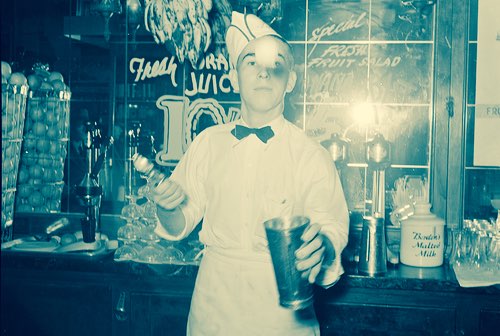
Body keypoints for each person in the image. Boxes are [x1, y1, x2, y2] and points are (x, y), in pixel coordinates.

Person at [150, 11, 349, 336]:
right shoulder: (207, 143)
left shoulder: (311, 155)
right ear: (233, 76)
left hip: (282, 321)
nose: (263, 74)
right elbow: (177, 223)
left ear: (291, 81)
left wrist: (321, 247)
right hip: (212, 315)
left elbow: (332, 230)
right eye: (251, 63)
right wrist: (167, 206)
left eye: (276, 65)